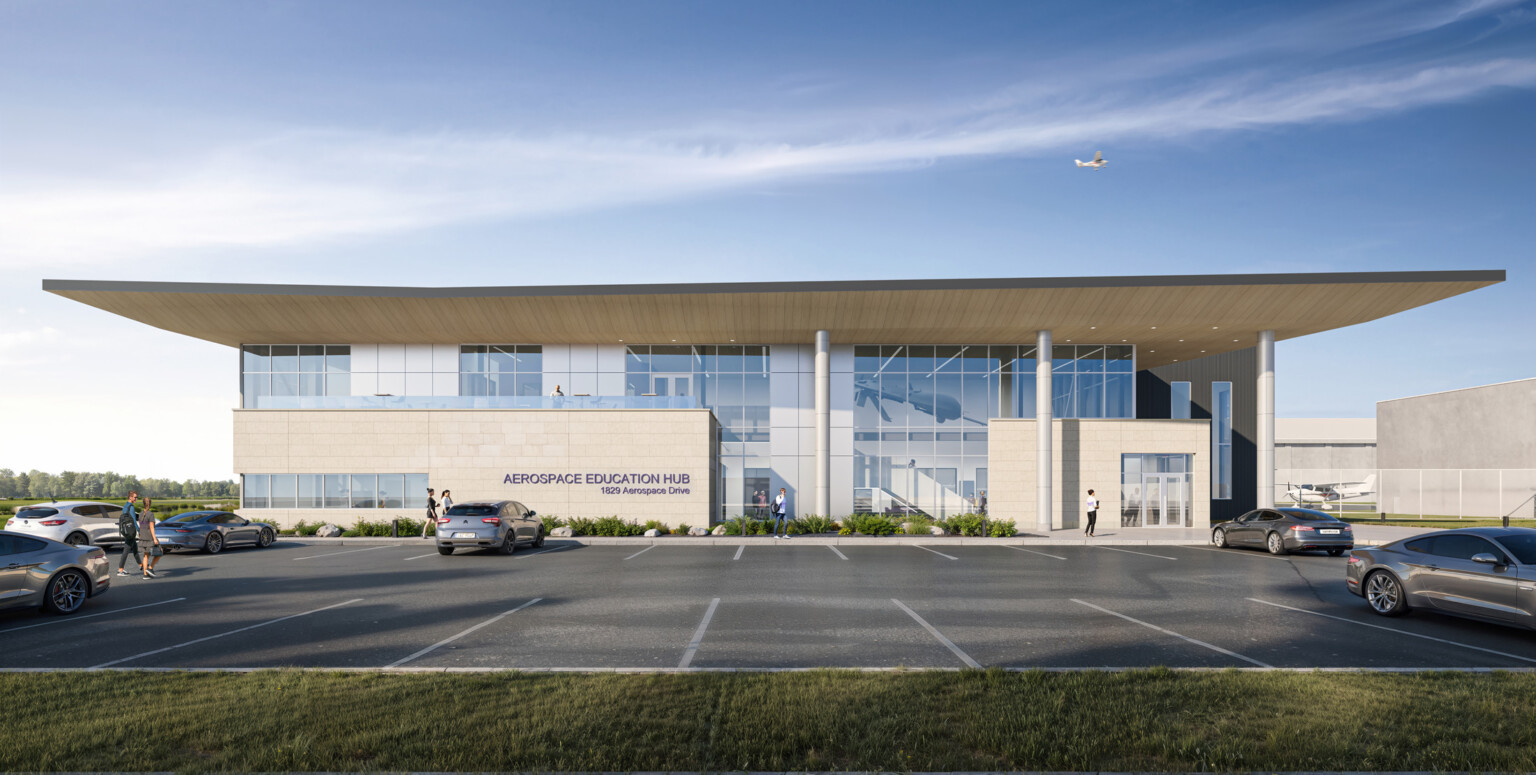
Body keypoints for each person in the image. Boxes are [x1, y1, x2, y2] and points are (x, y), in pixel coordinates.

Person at [115, 491, 141, 577]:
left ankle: (141, 565)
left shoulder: (125, 506)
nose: (136, 499)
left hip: (126, 531)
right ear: (130, 497)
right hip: (131, 531)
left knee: (135, 548)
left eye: (136, 497)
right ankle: (120, 570)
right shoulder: (131, 507)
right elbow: (134, 520)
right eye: (135, 497)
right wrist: (139, 530)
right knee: (126, 550)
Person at [138, 495, 162, 578]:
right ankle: (150, 568)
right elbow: (152, 527)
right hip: (149, 537)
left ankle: (145, 575)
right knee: (160, 552)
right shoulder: (151, 514)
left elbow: (140, 526)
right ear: (150, 504)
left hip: (142, 537)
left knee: (145, 556)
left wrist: (140, 534)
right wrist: (155, 539)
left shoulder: (140, 514)